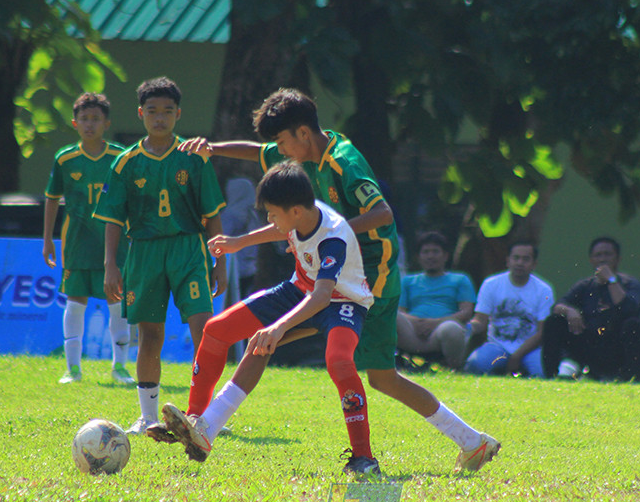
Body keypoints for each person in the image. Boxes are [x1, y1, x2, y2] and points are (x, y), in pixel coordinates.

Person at [179, 88, 500, 472]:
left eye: (282, 141)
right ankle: (201, 425)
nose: (279, 151)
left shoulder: (345, 163)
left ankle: (383, 455)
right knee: (282, 348)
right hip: (319, 280)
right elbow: (255, 151)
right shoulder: (300, 157)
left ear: (302, 133)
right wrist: (211, 149)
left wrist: (327, 236)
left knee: (372, 374)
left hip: (368, 283)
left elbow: (382, 214)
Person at [151, 161, 380, 475]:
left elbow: (323, 296)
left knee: (339, 360)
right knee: (217, 330)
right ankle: (196, 425)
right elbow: (280, 228)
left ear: (295, 211)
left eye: (273, 212)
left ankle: (364, 457)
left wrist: (278, 326)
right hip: (300, 291)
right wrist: (237, 242)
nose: (270, 219)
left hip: (343, 302)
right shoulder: (301, 215)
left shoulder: (333, 238)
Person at [93, 77, 227, 435]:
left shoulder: (194, 159)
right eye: (152, 111)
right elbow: (113, 220)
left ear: (178, 114)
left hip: (188, 249)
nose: (160, 118)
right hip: (145, 252)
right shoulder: (125, 163)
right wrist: (110, 264)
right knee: (150, 334)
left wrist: (221, 260)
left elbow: (212, 214)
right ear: (140, 114)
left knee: (205, 330)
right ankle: (147, 416)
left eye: (167, 111)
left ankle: (205, 415)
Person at [42, 93, 135, 386]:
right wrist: (47, 239)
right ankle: (72, 369)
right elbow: (52, 198)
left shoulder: (119, 157)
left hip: (115, 244)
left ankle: (120, 367)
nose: (89, 124)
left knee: (116, 301)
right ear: (74, 123)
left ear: (106, 123)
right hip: (77, 243)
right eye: (84, 119)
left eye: (96, 119)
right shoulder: (65, 158)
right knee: (75, 299)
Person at [541, 236, 640, 381]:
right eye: (598, 255)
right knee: (554, 322)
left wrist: (611, 280)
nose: (603, 259)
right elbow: (558, 306)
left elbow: (629, 308)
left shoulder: (630, 284)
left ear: (618, 259)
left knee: (634, 325)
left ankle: (632, 379)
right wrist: (570, 311)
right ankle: (552, 377)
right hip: (590, 344)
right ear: (591, 260)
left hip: (618, 346)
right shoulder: (585, 286)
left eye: (608, 254)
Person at [465, 241, 554, 377]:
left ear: (534, 264)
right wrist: (466, 328)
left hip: (531, 349)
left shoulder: (544, 290)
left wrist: (517, 356)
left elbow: (542, 332)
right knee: (475, 364)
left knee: (543, 373)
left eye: (526, 259)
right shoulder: (491, 284)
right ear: (508, 261)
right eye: (516, 258)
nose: (520, 263)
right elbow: (480, 320)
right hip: (497, 346)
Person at [396, 231, 476, 369]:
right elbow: (400, 311)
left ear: (445, 256)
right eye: (425, 252)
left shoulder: (460, 279)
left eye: (435, 252)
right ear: (419, 257)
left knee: (451, 328)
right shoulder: (408, 281)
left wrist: (435, 323)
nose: (430, 256)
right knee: (389, 316)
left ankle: (455, 369)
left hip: (442, 333)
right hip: (413, 332)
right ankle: (388, 365)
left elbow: (466, 312)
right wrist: (418, 322)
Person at [219, 177, 263, 299]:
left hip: (233, 268)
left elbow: (220, 237)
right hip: (250, 266)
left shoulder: (231, 215)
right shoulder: (252, 213)